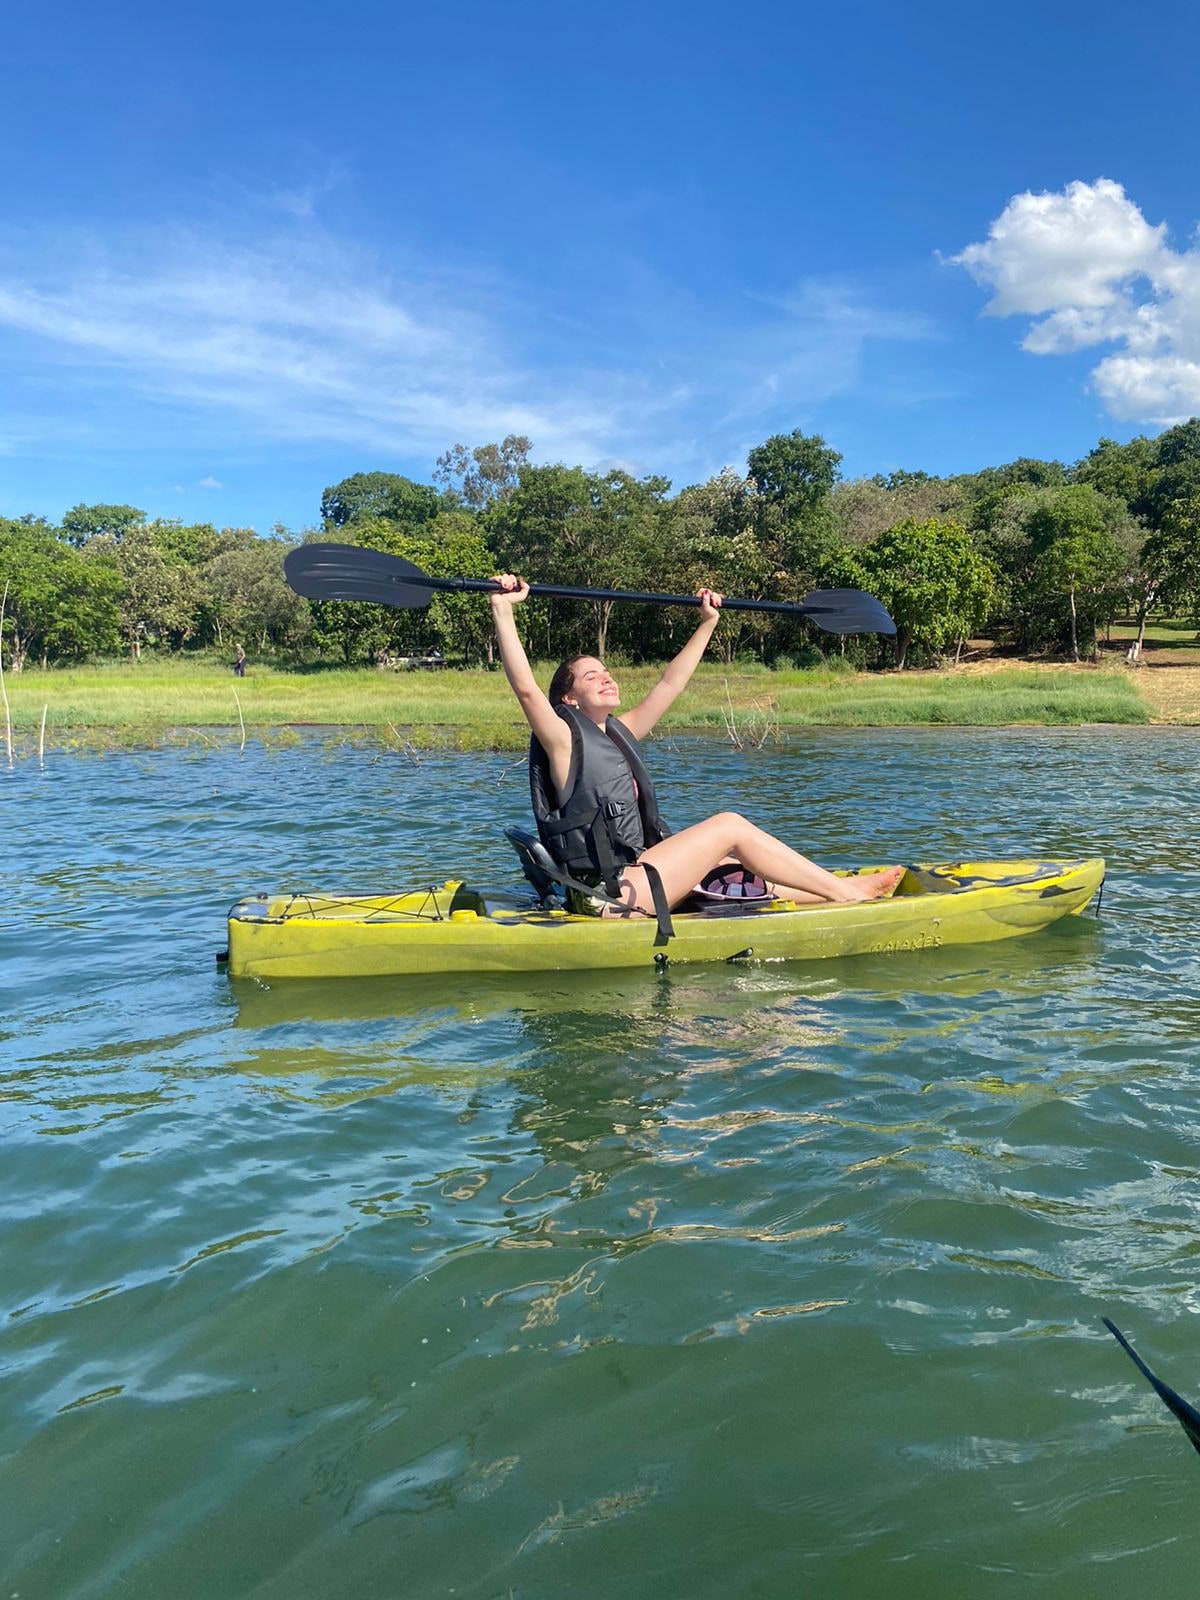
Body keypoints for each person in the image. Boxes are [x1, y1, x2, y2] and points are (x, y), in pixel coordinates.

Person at [489, 574, 904, 920]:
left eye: (608, 672)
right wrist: (503, 610)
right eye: (591, 676)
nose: (606, 678)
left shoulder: (618, 731)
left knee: (730, 866)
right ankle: (849, 896)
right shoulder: (561, 739)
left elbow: (671, 683)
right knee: (729, 826)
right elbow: (526, 690)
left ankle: (842, 889)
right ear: (569, 699)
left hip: (635, 880)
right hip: (608, 897)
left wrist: (707, 622)